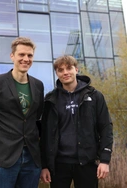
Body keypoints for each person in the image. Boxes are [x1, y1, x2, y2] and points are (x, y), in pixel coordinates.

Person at [40, 55, 113, 188]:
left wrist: (105, 160)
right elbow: (44, 134)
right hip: (58, 164)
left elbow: (106, 128)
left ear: (76, 70)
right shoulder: (50, 100)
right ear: (57, 73)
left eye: (69, 68)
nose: (65, 72)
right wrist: (44, 165)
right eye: (60, 70)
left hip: (86, 162)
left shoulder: (94, 96)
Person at [0, 37, 44, 188]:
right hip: (4, 157)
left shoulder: (38, 85)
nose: (26, 59)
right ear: (12, 56)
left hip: (31, 158)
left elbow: (37, 118)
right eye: (21, 55)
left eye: (29, 55)